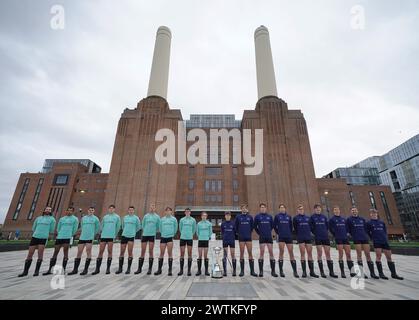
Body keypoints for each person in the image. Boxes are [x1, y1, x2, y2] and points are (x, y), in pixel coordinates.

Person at [18, 207, 56, 277]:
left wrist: (45, 233)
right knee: (30, 254)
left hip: (43, 238)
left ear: (51, 211)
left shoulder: (52, 219)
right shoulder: (38, 218)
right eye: (47, 209)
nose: (48, 210)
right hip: (35, 237)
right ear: (44, 210)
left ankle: (36, 271)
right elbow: (34, 228)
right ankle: (25, 271)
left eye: (49, 210)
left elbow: (51, 230)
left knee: (40, 253)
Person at [366, 209, 403, 280]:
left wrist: (386, 238)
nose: (374, 214)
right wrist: (372, 238)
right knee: (378, 256)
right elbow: (368, 232)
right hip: (377, 242)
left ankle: (394, 274)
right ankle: (381, 274)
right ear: (370, 214)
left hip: (384, 241)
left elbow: (385, 231)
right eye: (372, 213)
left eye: (375, 213)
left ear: (377, 214)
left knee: (389, 257)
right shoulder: (369, 223)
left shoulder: (381, 222)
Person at [43, 207, 79, 275]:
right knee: (55, 252)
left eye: (71, 211)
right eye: (68, 210)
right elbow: (58, 228)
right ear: (66, 211)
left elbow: (75, 229)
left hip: (67, 237)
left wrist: (70, 234)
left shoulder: (75, 219)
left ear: (73, 212)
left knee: (65, 253)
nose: (69, 212)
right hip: (60, 237)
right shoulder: (62, 219)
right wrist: (59, 233)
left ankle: (63, 269)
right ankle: (50, 269)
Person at [346, 207, 378, 279]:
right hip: (357, 239)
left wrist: (366, 235)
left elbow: (366, 229)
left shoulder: (362, 219)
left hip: (364, 239)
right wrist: (353, 235)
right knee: (359, 255)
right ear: (351, 212)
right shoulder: (349, 220)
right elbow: (348, 230)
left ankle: (372, 273)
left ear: (357, 211)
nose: (354, 211)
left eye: (355, 210)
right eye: (353, 210)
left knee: (368, 255)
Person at [68, 206, 100, 275]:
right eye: (90, 210)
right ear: (87, 210)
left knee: (88, 252)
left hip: (90, 238)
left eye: (92, 210)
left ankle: (85, 270)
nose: (91, 211)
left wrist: (93, 234)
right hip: (82, 237)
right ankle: (75, 269)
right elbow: (82, 226)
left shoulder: (96, 219)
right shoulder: (83, 218)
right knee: (79, 252)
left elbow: (97, 228)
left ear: (93, 211)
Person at [309, 204, 338, 278]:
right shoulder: (312, 217)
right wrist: (316, 233)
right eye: (316, 209)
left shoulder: (324, 217)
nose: (318, 209)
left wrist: (325, 232)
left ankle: (331, 272)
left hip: (325, 237)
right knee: (319, 254)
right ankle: (322, 272)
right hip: (318, 237)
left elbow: (327, 226)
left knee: (328, 254)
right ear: (314, 209)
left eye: (319, 208)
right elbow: (311, 228)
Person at [92, 205, 121, 275]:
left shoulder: (117, 217)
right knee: (100, 252)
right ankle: (97, 269)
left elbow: (118, 227)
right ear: (108, 209)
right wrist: (101, 233)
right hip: (104, 236)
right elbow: (102, 226)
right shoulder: (105, 217)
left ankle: (108, 269)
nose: (111, 210)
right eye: (110, 208)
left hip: (111, 236)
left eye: (112, 209)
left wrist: (114, 234)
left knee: (110, 252)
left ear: (114, 209)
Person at [328, 205, 356, 278]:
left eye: (338, 210)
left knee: (348, 255)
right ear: (333, 211)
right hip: (338, 239)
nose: (337, 211)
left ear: (339, 211)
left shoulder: (344, 219)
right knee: (341, 255)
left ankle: (352, 272)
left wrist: (346, 233)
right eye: (335, 210)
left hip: (345, 238)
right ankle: (342, 272)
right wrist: (335, 234)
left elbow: (347, 228)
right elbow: (330, 229)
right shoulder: (332, 219)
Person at [293, 204, 318, 278]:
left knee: (310, 254)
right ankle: (304, 272)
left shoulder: (308, 218)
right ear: (297, 210)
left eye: (302, 209)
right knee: (302, 254)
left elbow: (311, 227)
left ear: (304, 210)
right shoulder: (295, 218)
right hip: (301, 238)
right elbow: (295, 228)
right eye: (299, 209)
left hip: (308, 237)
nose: (301, 210)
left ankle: (312, 272)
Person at [273, 204, 299, 278]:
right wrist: (278, 233)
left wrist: (289, 233)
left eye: (283, 207)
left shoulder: (289, 216)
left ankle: (295, 271)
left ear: (285, 208)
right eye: (280, 208)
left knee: (291, 253)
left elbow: (291, 226)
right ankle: (281, 271)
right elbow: (274, 226)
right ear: (279, 209)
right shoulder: (277, 216)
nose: (282, 209)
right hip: (281, 237)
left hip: (288, 237)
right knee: (281, 252)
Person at [135, 203, 160, 275]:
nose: (152, 208)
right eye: (151, 207)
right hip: (145, 235)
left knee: (150, 251)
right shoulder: (146, 216)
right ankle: (139, 269)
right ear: (149, 208)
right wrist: (145, 231)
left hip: (152, 235)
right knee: (142, 251)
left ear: (155, 208)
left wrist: (154, 231)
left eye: (153, 207)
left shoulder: (157, 217)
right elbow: (143, 225)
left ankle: (150, 269)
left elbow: (158, 226)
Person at [116, 206, 141, 274]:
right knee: (122, 252)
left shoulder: (136, 218)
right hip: (124, 235)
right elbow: (123, 226)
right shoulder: (125, 217)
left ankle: (128, 269)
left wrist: (133, 231)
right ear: (128, 211)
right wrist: (126, 231)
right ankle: (120, 269)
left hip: (131, 236)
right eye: (129, 210)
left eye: (132, 210)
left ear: (134, 211)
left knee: (130, 252)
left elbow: (138, 227)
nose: (130, 211)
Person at [254, 203, 277, 277]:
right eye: (261, 207)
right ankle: (261, 271)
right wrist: (260, 233)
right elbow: (255, 227)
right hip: (262, 237)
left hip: (269, 237)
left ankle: (273, 271)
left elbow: (272, 226)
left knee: (271, 253)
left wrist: (267, 231)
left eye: (264, 207)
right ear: (260, 208)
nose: (263, 208)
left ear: (266, 208)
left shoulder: (269, 217)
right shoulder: (257, 217)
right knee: (262, 253)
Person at [235, 204, 257, 277]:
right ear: (241, 209)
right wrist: (240, 233)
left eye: (245, 208)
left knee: (250, 253)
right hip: (241, 238)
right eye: (243, 208)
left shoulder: (250, 217)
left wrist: (248, 233)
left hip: (248, 238)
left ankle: (252, 271)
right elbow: (236, 227)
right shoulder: (238, 217)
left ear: (247, 209)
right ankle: (242, 271)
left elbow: (252, 227)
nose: (244, 209)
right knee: (241, 253)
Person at [155, 206, 178, 276]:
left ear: (171, 212)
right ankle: (159, 269)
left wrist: (172, 234)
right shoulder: (162, 219)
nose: (168, 212)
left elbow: (175, 228)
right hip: (163, 237)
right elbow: (160, 228)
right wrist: (163, 234)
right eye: (167, 210)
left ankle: (170, 270)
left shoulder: (174, 219)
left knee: (169, 253)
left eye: (169, 210)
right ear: (165, 212)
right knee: (161, 253)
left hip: (170, 238)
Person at [178, 208, 196, 276]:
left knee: (189, 253)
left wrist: (191, 234)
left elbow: (194, 229)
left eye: (188, 212)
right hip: (182, 238)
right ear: (184, 212)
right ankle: (181, 270)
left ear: (190, 212)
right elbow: (180, 228)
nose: (187, 212)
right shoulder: (182, 220)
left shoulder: (193, 220)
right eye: (186, 212)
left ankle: (189, 270)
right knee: (182, 253)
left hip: (189, 238)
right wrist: (183, 233)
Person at [195, 212, 213, 276]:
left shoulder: (209, 224)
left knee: (205, 256)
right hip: (200, 240)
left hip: (206, 240)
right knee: (200, 255)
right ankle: (199, 270)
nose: (204, 217)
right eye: (203, 216)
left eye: (205, 216)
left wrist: (207, 237)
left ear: (206, 216)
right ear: (201, 216)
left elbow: (211, 232)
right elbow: (197, 232)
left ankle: (206, 271)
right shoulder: (199, 224)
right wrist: (200, 237)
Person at [221, 211, 236, 276]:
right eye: (226, 215)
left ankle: (234, 271)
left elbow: (235, 231)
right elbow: (222, 232)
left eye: (229, 215)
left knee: (233, 255)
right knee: (225, 256)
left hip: (232, 241)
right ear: (225, 216)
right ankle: (225, 271)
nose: (227, 216)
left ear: (230, 216)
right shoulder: (223, 224)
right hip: (225, 241)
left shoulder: (233, 223)